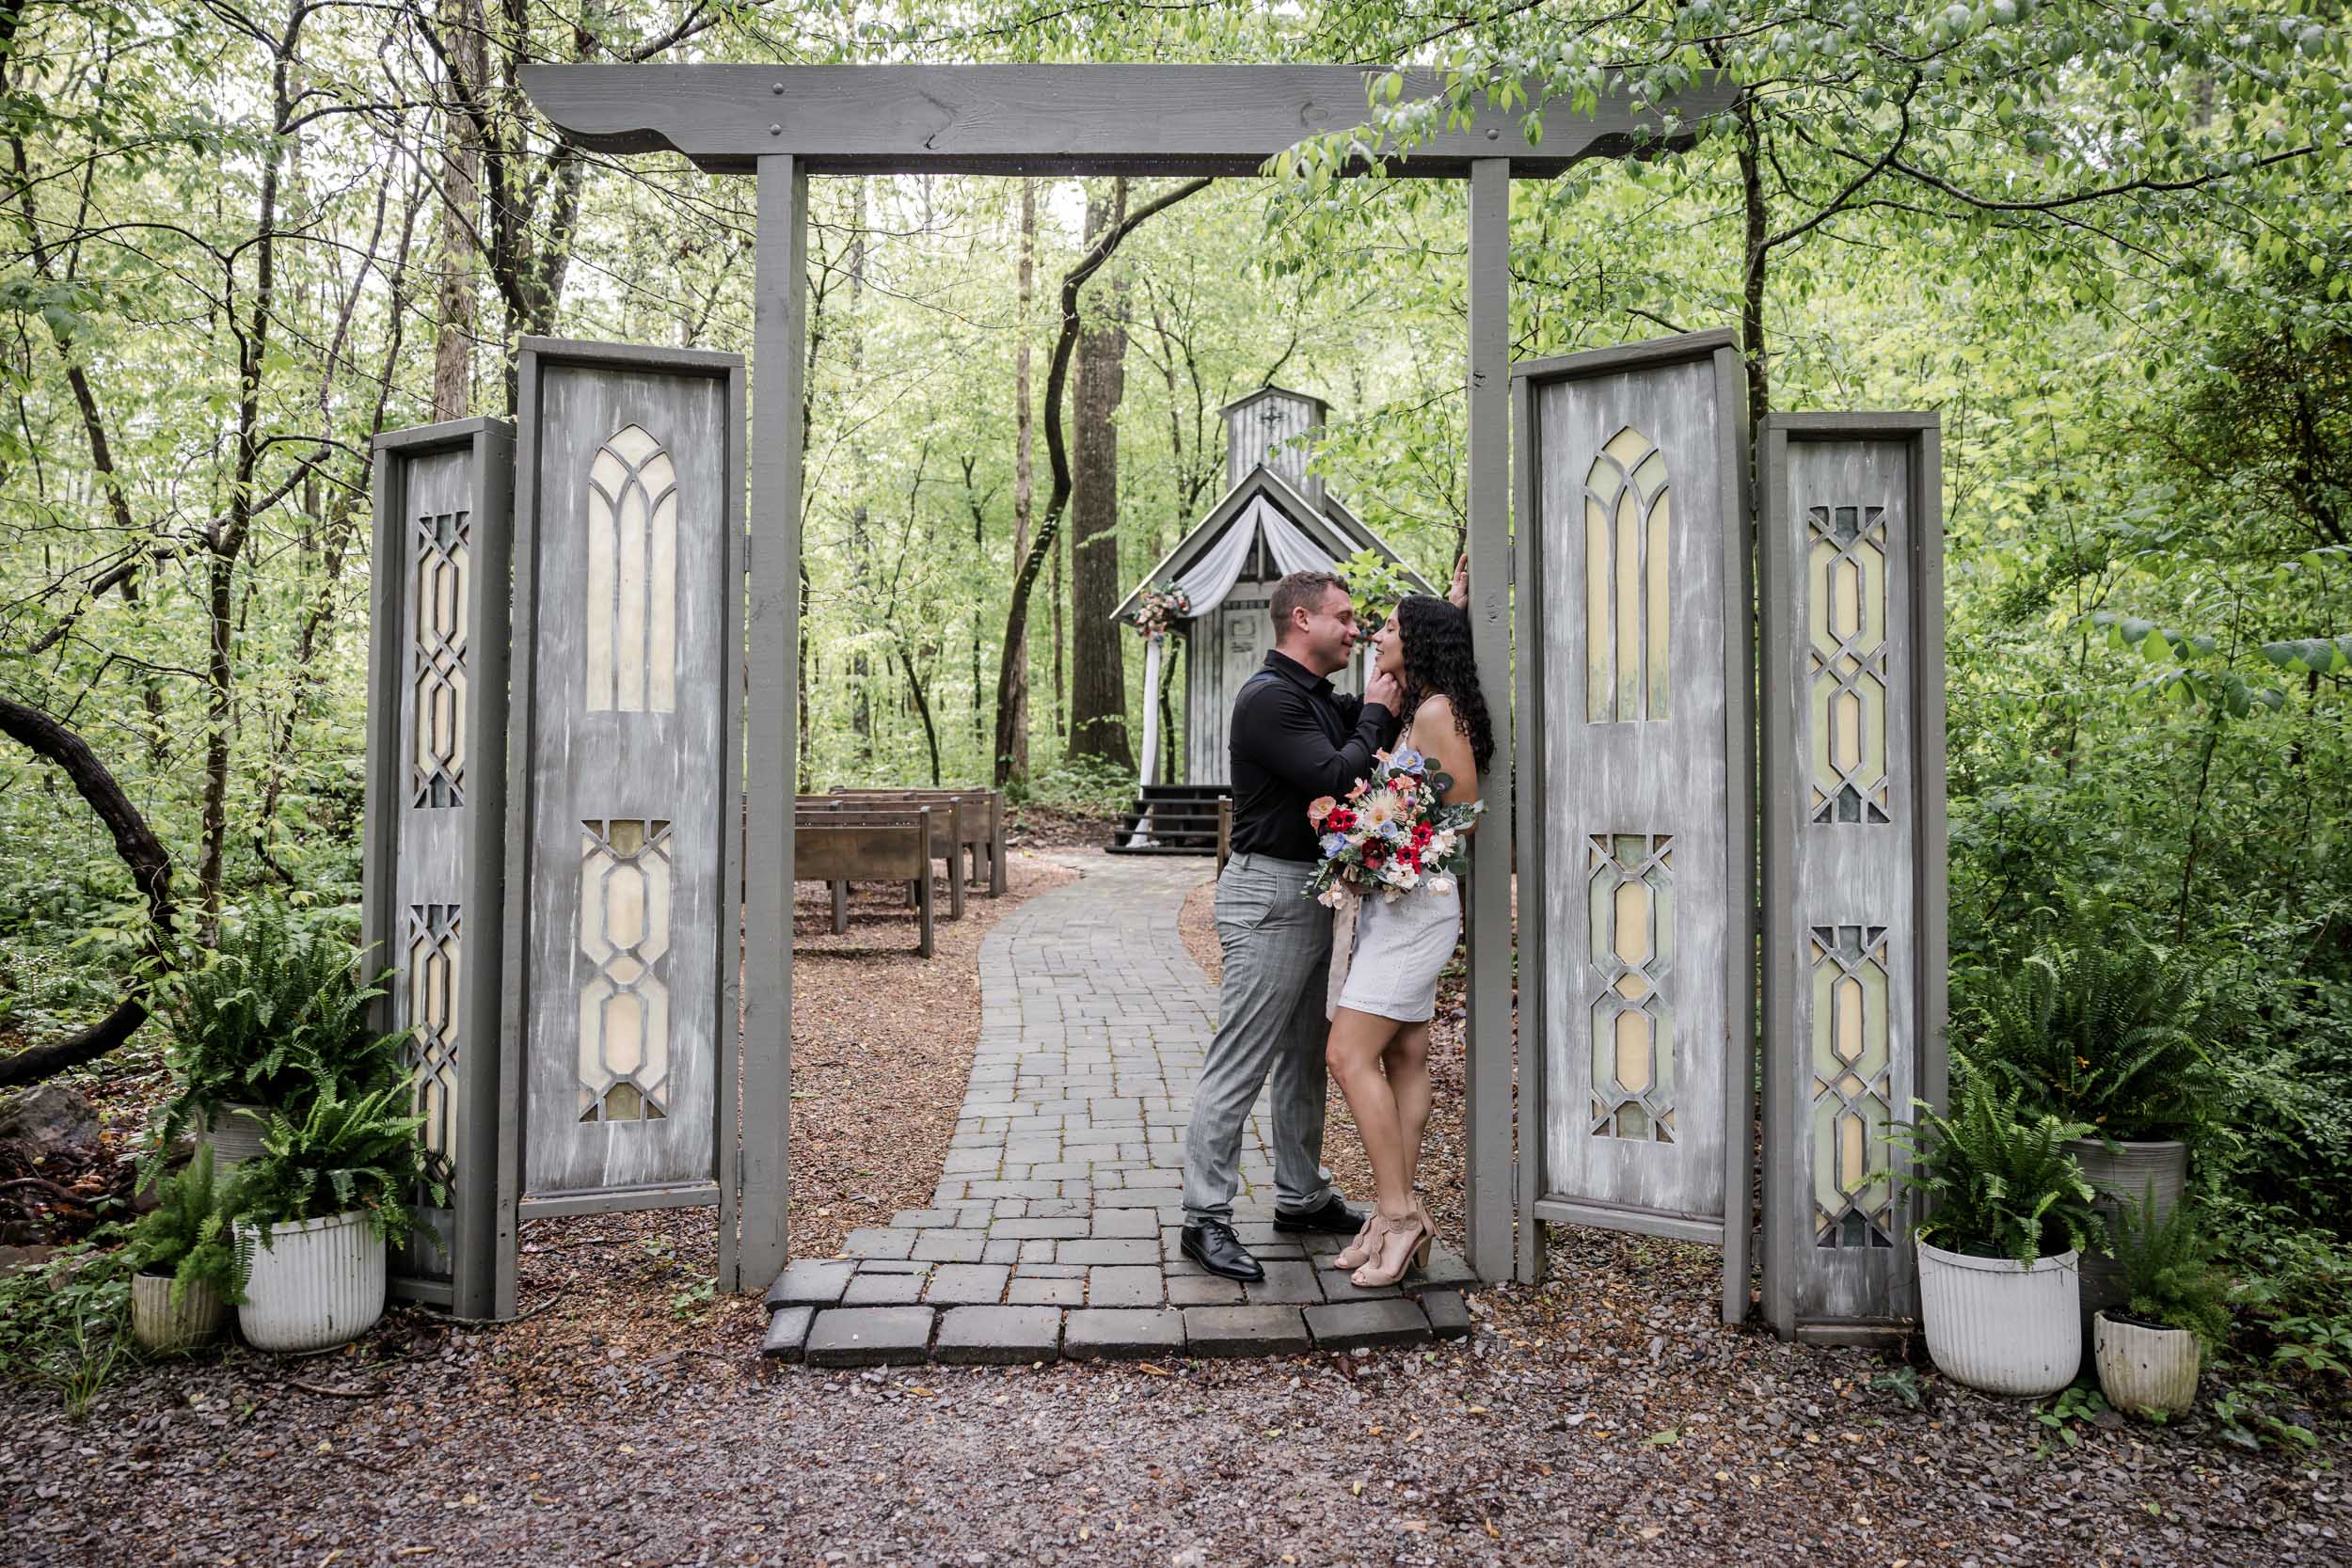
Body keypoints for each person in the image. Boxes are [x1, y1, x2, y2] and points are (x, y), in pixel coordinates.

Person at [1176, 569, 1404, 1280]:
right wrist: (1371, 709)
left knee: (1305, 1053)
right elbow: (1339, 776)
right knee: (1242, 1057)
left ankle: (1301, 1195)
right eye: (1343, 618)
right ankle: (1204, 1217)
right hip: (1268, 894)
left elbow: (1369, 747)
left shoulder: (1311, 698)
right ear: (1301, 620)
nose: (1354, 630)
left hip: (1308, 895)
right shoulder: (1269, 700)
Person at [1321, 594, 1493, 1287]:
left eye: (1390, 627)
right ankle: (1389, 1218)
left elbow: (1463, 818)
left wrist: (1381, 842)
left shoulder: (1434, 712)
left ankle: (1401, 1213)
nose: (1377, 635)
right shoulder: (1428, 707)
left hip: (1418, 908)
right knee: (1405, 1056)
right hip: (1400, 906)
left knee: (1345, 1052)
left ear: (1416, 642)